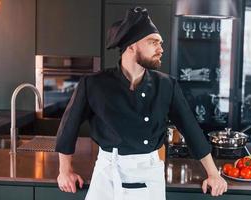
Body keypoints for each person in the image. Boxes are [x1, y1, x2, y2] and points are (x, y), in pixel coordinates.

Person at [55, 7, 227, 200]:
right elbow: (67, 129)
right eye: (153, 42)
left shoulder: (166, 85)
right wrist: (64, 171)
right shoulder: (94, 84)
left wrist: (213, 174)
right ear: (132, 46)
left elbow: (191, 129)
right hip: (107, 172)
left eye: (160, 43)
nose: (161, 49)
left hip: (148, 171)